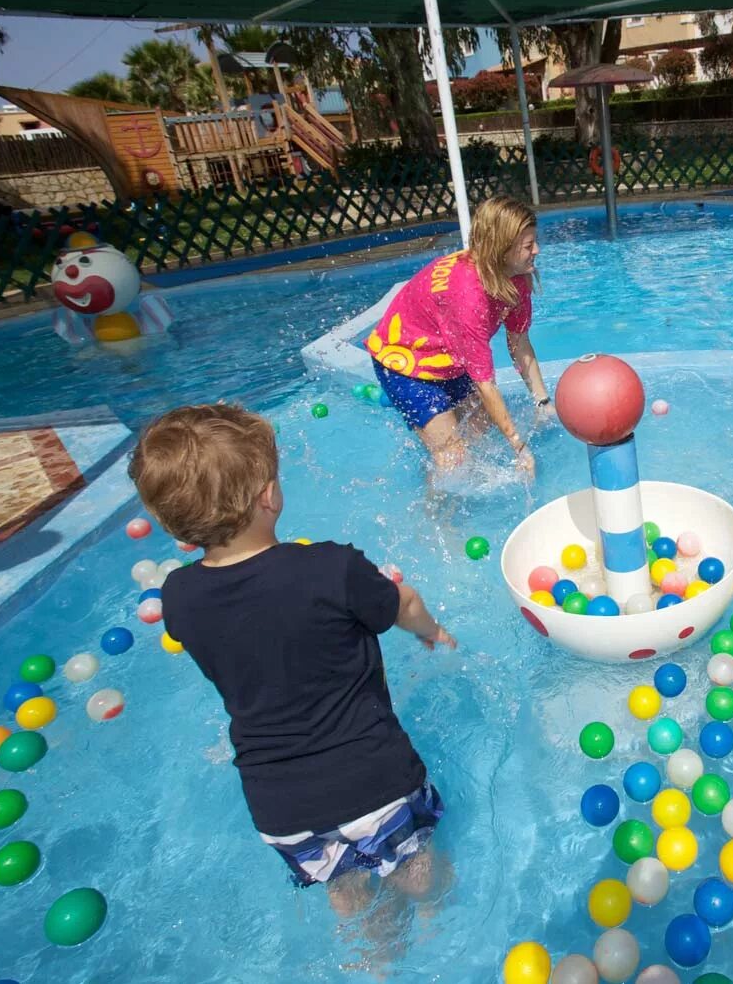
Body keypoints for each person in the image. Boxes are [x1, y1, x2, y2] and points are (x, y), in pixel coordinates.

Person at [129, 403, 457, 916]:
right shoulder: (331, 569)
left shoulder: (179, 597)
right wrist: (431, 630)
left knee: (345, 889)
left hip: (280, 807)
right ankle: (437, 928)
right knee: (418, 875)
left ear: (178, 529)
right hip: (374, 779)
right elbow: (405, 605)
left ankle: (375, 965)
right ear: (269, 494)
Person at [365, 195, 550, 474]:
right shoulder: (469, 296)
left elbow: (519, 341)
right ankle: (438, 517)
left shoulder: (516, 278)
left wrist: (543, 402)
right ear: (501, 249)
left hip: (448, 355)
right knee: (454, 459)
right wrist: (519, 446)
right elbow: (485, 383)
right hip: (405, 363)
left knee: (482, 430)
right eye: (527, 245)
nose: (536, 250)